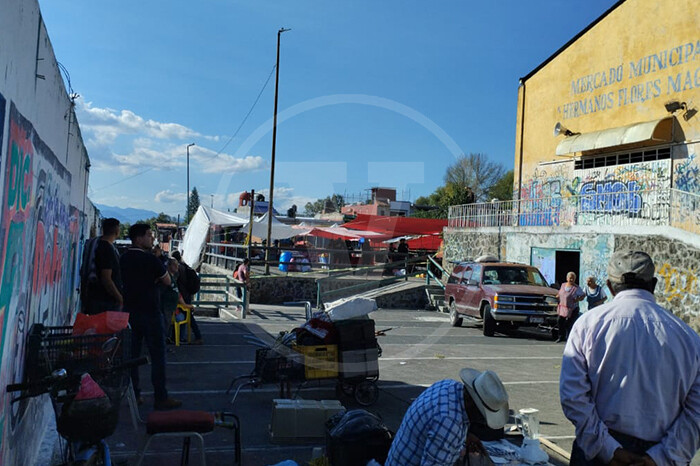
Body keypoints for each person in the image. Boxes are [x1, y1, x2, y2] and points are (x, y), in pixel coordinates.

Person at [560, 250, 700, 466]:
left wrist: (608, 449)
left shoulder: (587, 325)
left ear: (609, 285)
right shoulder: (688, 337)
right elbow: (696, 412)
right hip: (660, 448)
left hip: (598, 454)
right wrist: (660, 458)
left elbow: (573, 396)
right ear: (653, 284)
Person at [386, 368, 509, 466]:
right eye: (482, 415)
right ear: (472, 403)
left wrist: (466, 436)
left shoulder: (449, 385)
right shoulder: (449, 422)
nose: (482, 422)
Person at [120, 223, 181, 410]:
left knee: (132, 356)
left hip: (129, 313)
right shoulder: (150, 260)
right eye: (148, 235)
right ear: (138, 238)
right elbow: (168, 280)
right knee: (158, 356)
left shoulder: (122, 259)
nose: (152, 238)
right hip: (151, 313)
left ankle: (135, 394)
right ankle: (161, 397)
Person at [81, 217, 123, 315]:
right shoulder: (107, 249)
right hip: (105, 301)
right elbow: (106, 278)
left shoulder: (97, 244)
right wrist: (119, 297)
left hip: (94, 297)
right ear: (117, 230)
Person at [171, 251, 203, 345]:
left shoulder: (178, 268)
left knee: (186, 316)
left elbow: (175, 282)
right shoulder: (184, 266)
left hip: (182, 295)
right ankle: (180, 336)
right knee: (185, 315)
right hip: (187, 294)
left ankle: (196, 336)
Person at [556, 272, 585, 343]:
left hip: (573, 309)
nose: (571, 279)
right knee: (560, 321)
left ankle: (569, 338)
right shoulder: (563, 285)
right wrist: (557, 296)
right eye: (570, 278)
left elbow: (583, 295)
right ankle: (561, 336)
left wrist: (577, 299)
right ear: (567, 278)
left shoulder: (576, 288)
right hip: (563, 308)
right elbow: (559, 293)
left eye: (573, 278)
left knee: (569, 324)